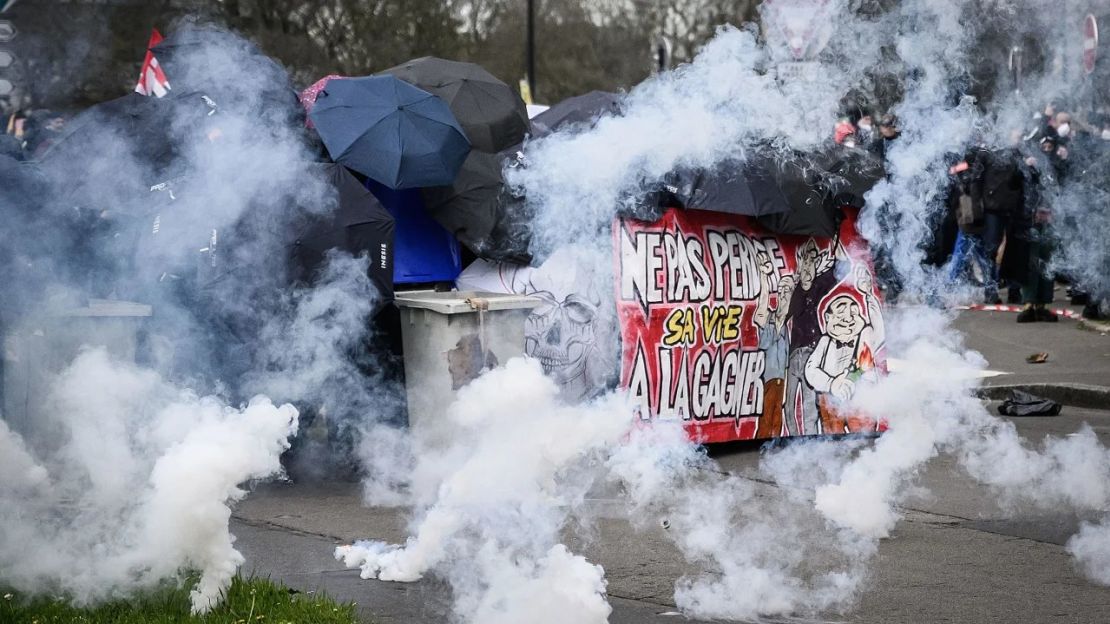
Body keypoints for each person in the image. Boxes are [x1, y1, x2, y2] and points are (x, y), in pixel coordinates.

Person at [754, 253, 793, 439]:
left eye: (788, 291)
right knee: (766, 416)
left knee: (777, 416)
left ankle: (774, 444)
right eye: (782, 290)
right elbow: (762, 301)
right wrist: (764, 276)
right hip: (766, 379)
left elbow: (787, 362)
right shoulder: (767, 318)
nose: (784, 295)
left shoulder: (789, 327)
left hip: (781, 381)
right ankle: (762, 443)